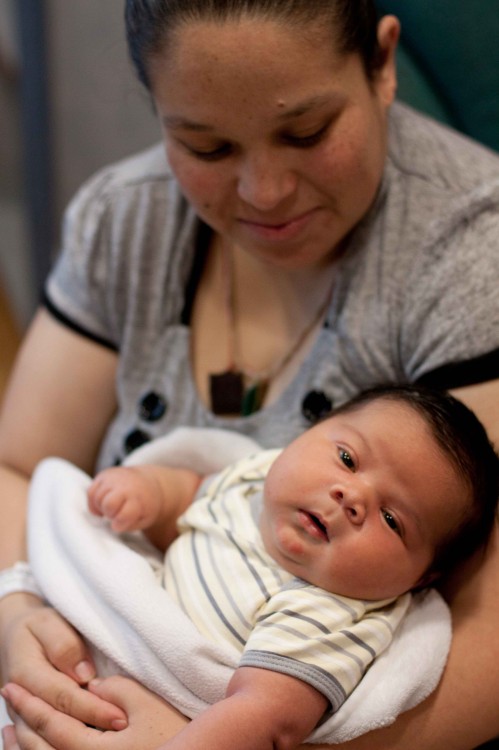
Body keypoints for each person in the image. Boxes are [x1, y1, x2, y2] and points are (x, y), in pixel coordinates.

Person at [0, 0, 498, 748]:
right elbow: (18, 467)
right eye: (205, 146)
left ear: (382, 64)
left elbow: (487, 634)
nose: (264, 191)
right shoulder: (124, 221)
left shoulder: (471, 257)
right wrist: (17, 614)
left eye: (306, 133)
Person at [81, 385, 499, 750]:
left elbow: (259, 719)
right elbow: (191, 496)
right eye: (348, 459)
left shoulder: (324, 614)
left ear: (419, 579)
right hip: (92, 644)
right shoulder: (254, 480)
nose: (350, 496)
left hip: (146, 708)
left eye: (392, 520)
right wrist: (149, 492)